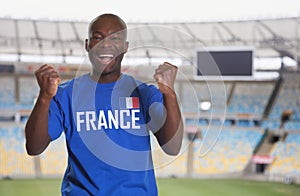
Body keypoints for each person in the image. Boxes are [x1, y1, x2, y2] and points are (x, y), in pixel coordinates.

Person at [25, 13, 183, 195]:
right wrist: (44, 97)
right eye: (97, 37)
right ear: (87, 45)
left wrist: (169, 93)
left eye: (114, 38)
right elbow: (34, 147)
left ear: (125, 47)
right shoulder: (65, 94)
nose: (105, 44)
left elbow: (172, 147)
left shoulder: (144, 93)